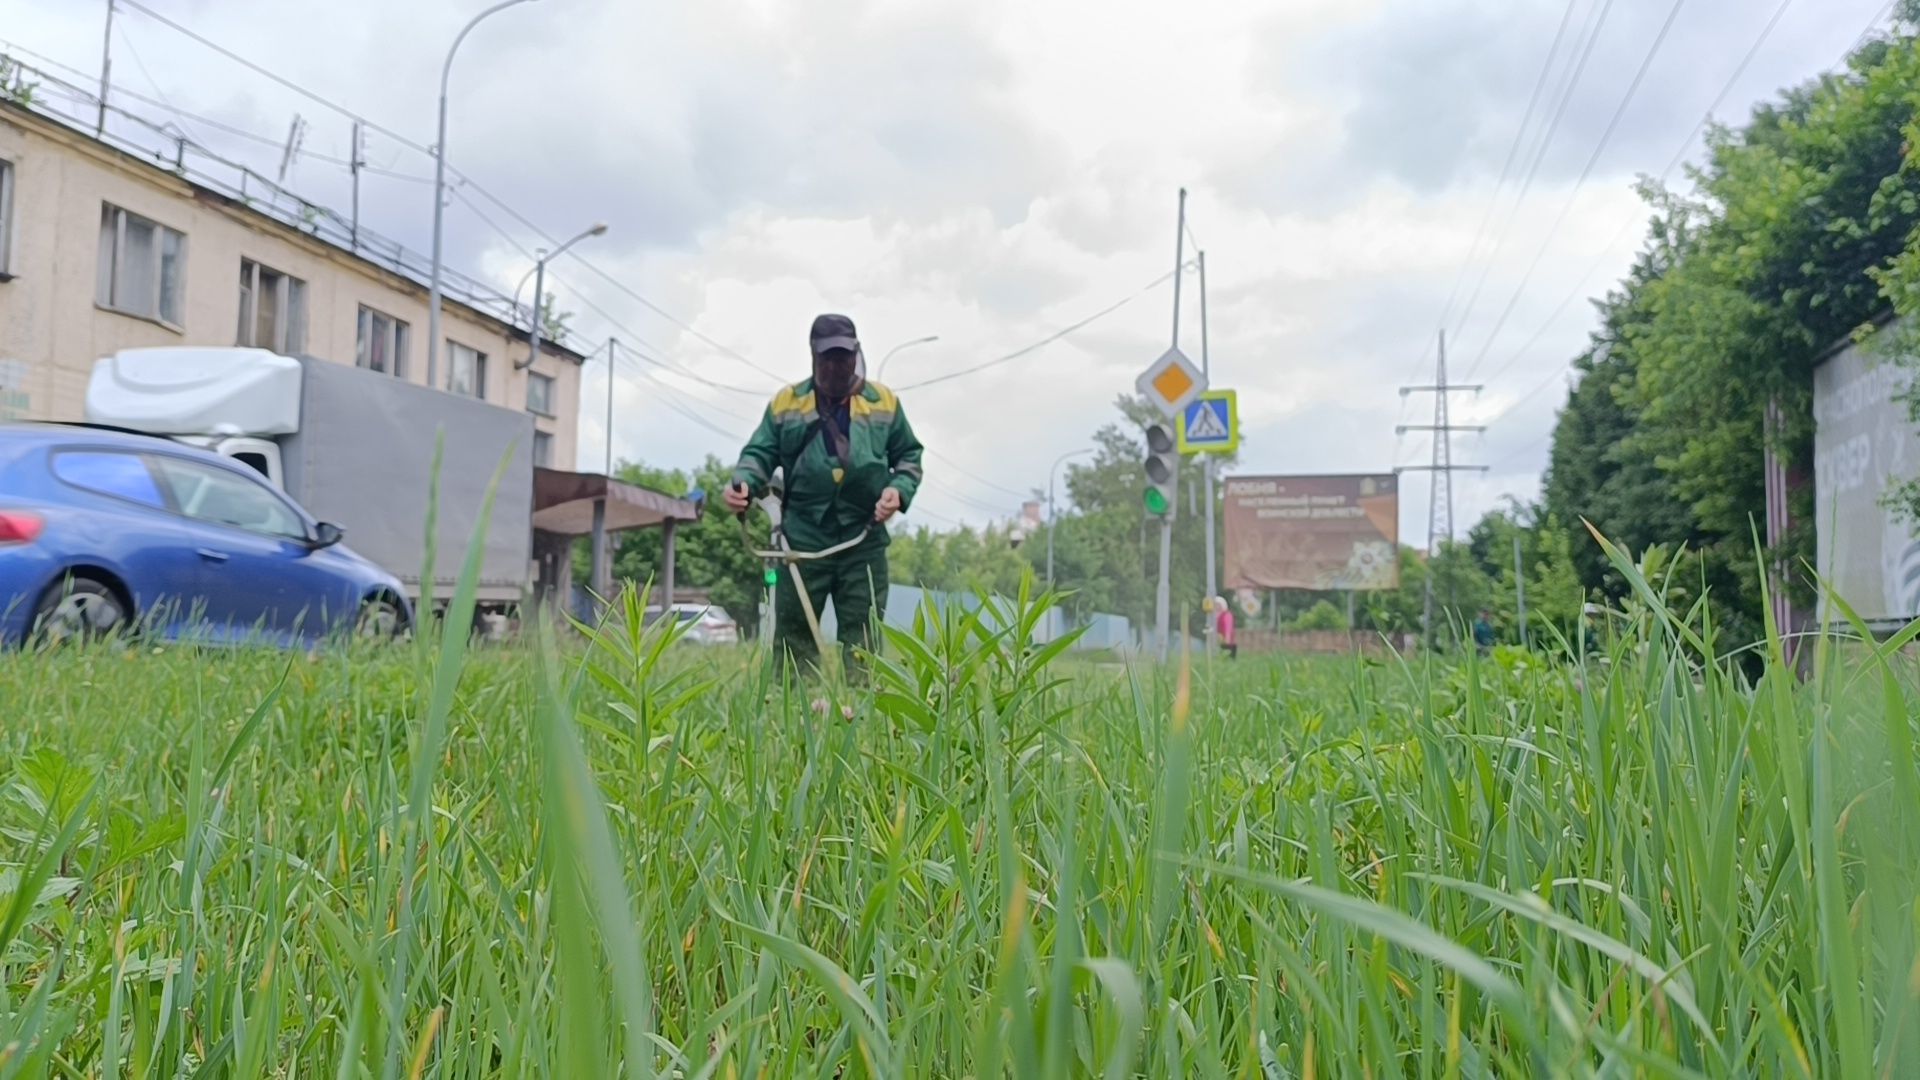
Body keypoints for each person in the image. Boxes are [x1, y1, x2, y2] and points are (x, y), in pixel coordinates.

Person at [725, 314, 925, 680]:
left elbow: (909, 458)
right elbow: (759, 454)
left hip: (863, 535)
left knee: (863, 640)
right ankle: (792, 719)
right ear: (814, 357)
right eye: (828, 357)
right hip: (801, 538)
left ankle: (862, 720)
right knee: (792, 640)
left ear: (856, 354)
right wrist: (743, 483)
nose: (836, 365)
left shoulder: (883, 402)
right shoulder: (787, 403)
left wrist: (898, 491)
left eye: (843, 356)